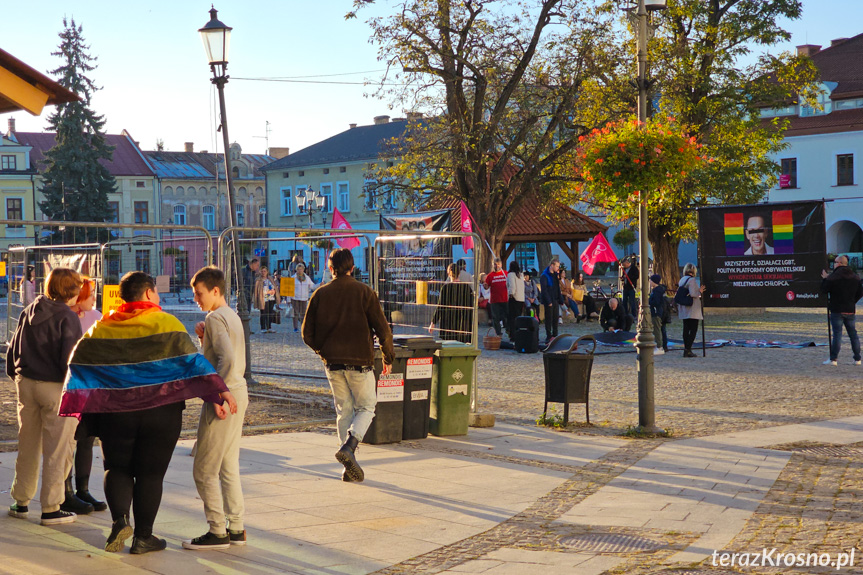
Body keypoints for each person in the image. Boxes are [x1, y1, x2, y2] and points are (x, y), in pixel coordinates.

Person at [58, 271, 234, 555]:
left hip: (115, 412)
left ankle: (119, 521)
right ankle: (144, 538)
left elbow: (78, 365)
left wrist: (75, 404)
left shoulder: (102, 327)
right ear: (150, 293)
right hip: (161, 413)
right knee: (151, 475)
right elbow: (191, 363)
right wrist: (217, 392)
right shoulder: (167, 323)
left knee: (116, 468)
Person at [302, 248, 394, 482]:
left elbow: (306, 333)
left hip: (332, 364)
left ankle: (347, 468)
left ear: (330, 269)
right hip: (360, 362)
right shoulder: (365, 292)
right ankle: (350, 447)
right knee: (366, 408)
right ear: (353, 268)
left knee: (344, 411)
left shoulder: (320, 294)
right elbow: (383, 330)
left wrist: (323, 352)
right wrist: (387, 358)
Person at [7, 268, 84, 526]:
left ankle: (21, 501)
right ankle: (51, 507)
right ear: (70, 290)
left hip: (25, 383)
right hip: (55, 386)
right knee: (57, 448)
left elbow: (13, 347)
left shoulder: (29, 310)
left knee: (27, 443)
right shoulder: (68, 317)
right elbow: (70, 360)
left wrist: (17, 376)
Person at [183, 266, 249, 550]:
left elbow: (226, 359)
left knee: (204, 469)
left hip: (225, 393)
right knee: (227, 465)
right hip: (238, 391)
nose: (196, 299)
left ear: (215, 291)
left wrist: (217, 395)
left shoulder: (215, 318)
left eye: (199, 294)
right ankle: (236, 527)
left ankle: (217, 531)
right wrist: (203, 337)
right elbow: (224, 353)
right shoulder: (229, 315)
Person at [63, 277, 106, 515]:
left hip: (91, 384)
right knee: (67, 439)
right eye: (90, 295)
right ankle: (66, 490)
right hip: (70, 385)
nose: (94, 298)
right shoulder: (66, 317)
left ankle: (83, 489)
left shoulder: (97, 316)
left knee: (87, 438)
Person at [820, 255, 863, 366]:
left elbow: (824, 290)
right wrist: (852, 301)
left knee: (837, 335)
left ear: (839, 263)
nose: (833, 264)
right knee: (853, 335)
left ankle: (833, 359)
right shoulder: (855, 277)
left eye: (835, 262)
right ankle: (857, 359)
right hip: (850, 309)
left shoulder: (834, 277)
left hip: (837, 309)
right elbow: (860, 292)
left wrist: (825, 278)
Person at [429, 263, 474, 343]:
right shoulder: (466, 288)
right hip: (462, 325)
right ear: (459, 273)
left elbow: (440, 307)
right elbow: (471, 308)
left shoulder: (445, 288)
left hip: (448, 325)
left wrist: (433, 323)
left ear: (448, 273)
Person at [678, 263, 706, 358]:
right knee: (693, 330)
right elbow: (694, 293)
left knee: (686, 329)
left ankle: (686, 348)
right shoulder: (692, 280)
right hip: (692, 309)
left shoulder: (682, 279)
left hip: (684, 308)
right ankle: (688, 350)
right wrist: (700, 291)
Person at [539, 259, 565, 342]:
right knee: (549, 318)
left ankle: (555, 334)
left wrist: (560, 300)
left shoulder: (555, 275)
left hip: (555, 299)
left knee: (555, 318)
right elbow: (544, 290)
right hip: (549, 300)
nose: (558, 268)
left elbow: (557, 288)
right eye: (557, 266)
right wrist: (548, 301)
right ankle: (549, 335)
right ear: (552, 265)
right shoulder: (545, 276)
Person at [484, 258, 508, 337]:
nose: (496, 266)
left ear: (501, 265)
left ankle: (508, 331)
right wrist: (485, 285)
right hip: (495, 300)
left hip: (505, 299)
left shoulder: (505, 273)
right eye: (495, 264)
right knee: (495, 318)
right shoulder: (490, 276)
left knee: (506, 316)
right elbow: (486, 287)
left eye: (498, 264)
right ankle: (498, 333)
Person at [290, 263, 316, 333]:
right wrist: (289, 299)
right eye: (298, 269)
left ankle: (303, 327)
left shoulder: (307, 278)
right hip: (295, 298)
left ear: (303, 270)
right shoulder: (293, 278)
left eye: (301, 269)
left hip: (304, 298)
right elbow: (289, 289)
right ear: (296, 270)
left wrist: (319, 285)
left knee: (303, 314)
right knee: (295, 313)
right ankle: (295, 328)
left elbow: (312, 286)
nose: (299, 271)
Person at [648, 274, 669, 355]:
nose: (649, 282)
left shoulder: (657, 291)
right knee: (661, 329)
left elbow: (656, 302)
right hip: (659, 312)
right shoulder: (658, 290)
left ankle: (659, 347)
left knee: (657, 330)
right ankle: (663, 346)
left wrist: (649, 302)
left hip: (656, 312)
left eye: (650, 281)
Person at [254, 266, 277, 333]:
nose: (263, 273)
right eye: (262, 271)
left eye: (265, 271)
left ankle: (269, 327)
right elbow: (258, 290)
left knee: (270, 313)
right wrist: (267, 292)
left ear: (267, 272)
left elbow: (274, 286)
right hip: (263, 298)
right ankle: (263, 327)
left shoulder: (270, 279)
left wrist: (274, 291)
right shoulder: (259, 280)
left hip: (271, 298)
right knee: (263, 313)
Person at [506, 260, 525, 338]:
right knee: (518, 317)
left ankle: (513, 335)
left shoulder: (511, 275)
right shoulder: (521, 275)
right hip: (521, 298)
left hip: (514, 298)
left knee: (512, 318)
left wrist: (511, 293)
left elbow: (512, 287)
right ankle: (518, 334)